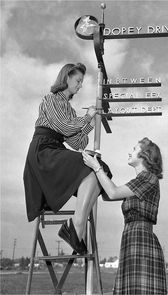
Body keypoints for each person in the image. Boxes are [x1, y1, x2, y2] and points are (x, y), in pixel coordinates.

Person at [23, 62, 111, 255]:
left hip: (57, 149)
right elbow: (65, 127)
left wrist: (92, 121)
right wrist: (86, 118)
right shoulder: (50, 99)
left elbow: (78, 142)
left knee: (99, 167)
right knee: (88, 166)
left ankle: (75, 227)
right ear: (66, 78)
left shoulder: (70, 110)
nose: (80, 86)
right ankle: (77, 225)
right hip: (43, 152)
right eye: (78, 81)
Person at [82, 137, 167, 294]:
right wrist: (99, 169)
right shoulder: (139, 181)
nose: (130, 152)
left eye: (134, 149)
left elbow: (113, 193)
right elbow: (107, 195)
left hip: (141, 240)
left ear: (144, 155)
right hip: (132, 239)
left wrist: (97, 168)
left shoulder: (148, 178)